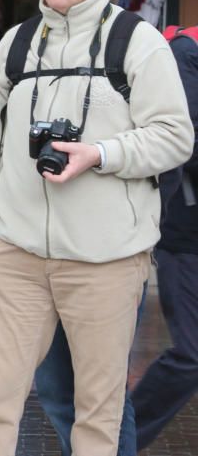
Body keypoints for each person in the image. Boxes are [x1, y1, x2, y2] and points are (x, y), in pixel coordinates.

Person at [0, 0, 194, 456]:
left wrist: (101, 153)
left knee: (99, 412)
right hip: (16, 253)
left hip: (106, 260)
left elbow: (174, 137)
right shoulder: (16, 46)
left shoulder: (137, 43)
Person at [130, 25, 198, 450]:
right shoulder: (185, 51)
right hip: (186, 230)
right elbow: (182, 141)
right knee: (192, 354)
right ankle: (124, 440)